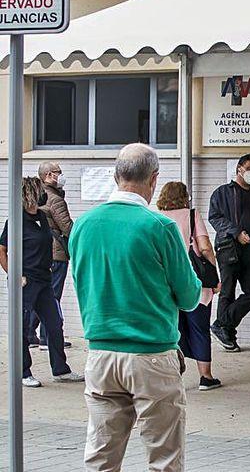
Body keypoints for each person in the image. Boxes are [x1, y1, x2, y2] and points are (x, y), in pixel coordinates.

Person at [69, 144, 201, 470]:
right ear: (154, 179)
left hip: (100, 355)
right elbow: (189, 296)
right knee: (164, 458)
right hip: (152, 355)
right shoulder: (160, 227)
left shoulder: (83, 226)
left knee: (101, 457)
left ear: (116, 176)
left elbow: (83, 283)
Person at [0, 177, 83, 389]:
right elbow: (2, 250)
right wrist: (15, 274)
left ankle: (60, 369)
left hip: (45, 279)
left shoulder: (42, 217)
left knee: (54, 325)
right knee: (23, 328)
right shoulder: (16, 222)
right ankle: (23, 372)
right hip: (26, 282)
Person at [157, 182, 223, 391]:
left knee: (174, 331)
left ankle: (173, 376)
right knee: (200, 329)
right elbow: (204, 247)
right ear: (184, 196)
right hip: (195, 283)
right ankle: (206, 377)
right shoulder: (192, 215)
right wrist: (214, 275)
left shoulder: (156, 217)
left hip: (165, 284)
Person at [209, 153, 250, 352]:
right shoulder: (222, 193)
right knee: (227, 293)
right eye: (249, 168)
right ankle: (228, 335)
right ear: (239, 168)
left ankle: (221, 324)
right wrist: (236, 232)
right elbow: (214, 218)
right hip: (228, 250)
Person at [35, 161, 74, 351]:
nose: (62, 176)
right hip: (56, 254)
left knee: (41, 293)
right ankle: (47, 337)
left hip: (41, 253)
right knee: (52, 296)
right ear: (49, 175)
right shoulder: (55, 199)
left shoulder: (36, 196)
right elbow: (67, 227)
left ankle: (30, 334)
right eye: (59, 172)